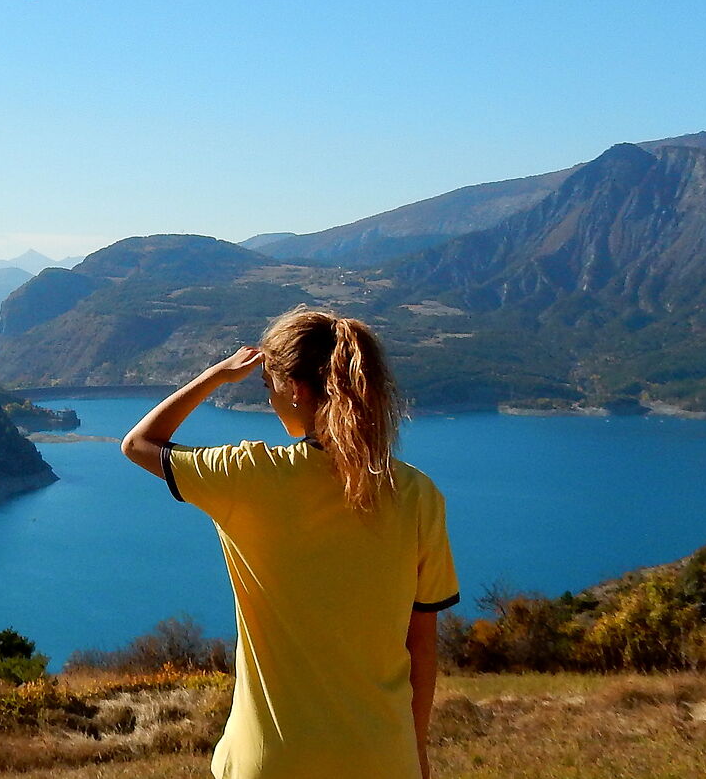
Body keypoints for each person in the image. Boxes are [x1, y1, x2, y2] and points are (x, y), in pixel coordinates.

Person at [121, 308, 459, 779]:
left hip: (270, 762)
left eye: (268, 387)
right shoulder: (416, 494)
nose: (270, 398)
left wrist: (216, 376)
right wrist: (415, 753)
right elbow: (421, 646)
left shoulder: (248, 476)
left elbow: (139, 443)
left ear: (296, 390)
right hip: (383, 760)